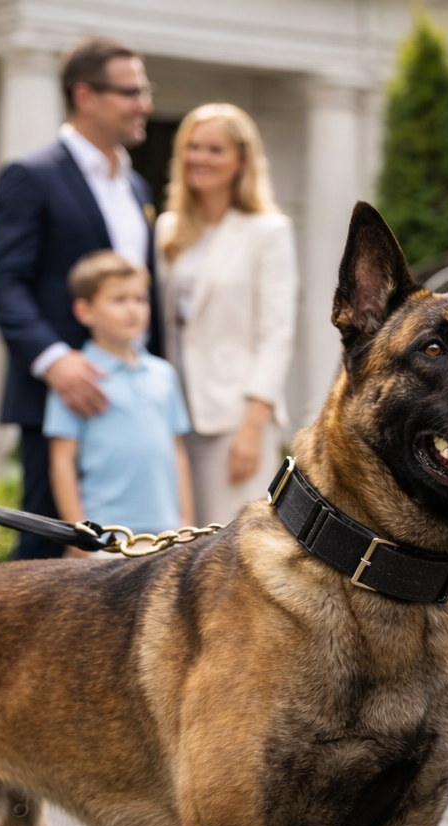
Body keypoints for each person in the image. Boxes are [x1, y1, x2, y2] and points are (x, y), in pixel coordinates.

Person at [0, 36, 162, 559]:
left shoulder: (137, 189)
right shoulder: (31, 177)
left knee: (130, 557)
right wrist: (56, 363)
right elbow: (2, 283)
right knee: (46, 549)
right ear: (85, 95)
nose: (144, 105)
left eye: (144, 91)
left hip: (130, 401)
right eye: (130, 92)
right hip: (57, 398)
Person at [155, 104, 297, 526]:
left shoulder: (268, 231)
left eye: (214, 149)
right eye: (193, 147)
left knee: (228, 543)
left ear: (241, 160)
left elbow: (276, 332)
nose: (200, 158)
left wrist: (252, 426)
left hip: (233, 416)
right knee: (174, 546)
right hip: (171, 412)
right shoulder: (167, 229)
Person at [46, 252, 193, 554]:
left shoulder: (163, 374)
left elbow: (177, 451)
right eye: (119, 300)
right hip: (105, 535)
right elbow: (62, 460)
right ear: (85, 311)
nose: (133, 309)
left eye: (140, 299)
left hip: (166, 533)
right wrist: (78, 534)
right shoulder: (78, 378)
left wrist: (186, 520)